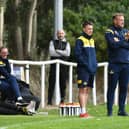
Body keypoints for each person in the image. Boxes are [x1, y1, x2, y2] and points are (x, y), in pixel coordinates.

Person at [105, 13, 129, 116]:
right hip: (115, 64)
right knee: (112, 87)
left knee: (124, 87)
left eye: (123, 20)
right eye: (120, 20)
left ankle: (121, 110)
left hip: (126, 63)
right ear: (114, 21)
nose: (122, 22)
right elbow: (113, 45)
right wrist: (124, 41)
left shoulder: (126, 31)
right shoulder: (109, 31)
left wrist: (119, 41)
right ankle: (110, 111)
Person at [74, 21, 97, 118]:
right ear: (84, 29)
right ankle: (82, 112)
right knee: (82, 90)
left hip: (91, 69)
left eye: (91, 29)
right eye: (88, 29)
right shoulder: (80, 40)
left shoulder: (92, 40)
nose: (90, 31)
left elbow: (93, 56)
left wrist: (94, 65)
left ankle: (84, 111)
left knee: (87, 90)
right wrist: (86, 65)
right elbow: (78, 55)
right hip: (83, 69)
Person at [48, 29, 71, 105]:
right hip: (54, 65)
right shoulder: (52, 42)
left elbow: (67, 54)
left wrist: (57, 50)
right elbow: (52, 53)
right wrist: (62, 53)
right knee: (51, 82)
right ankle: (49, 101)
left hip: (64, 66)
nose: (60, 35)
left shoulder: (67, 43)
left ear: (64, 34)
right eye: (59, 33)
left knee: (63, 83)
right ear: (57, 34)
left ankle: (62, 100)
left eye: (62, 33)